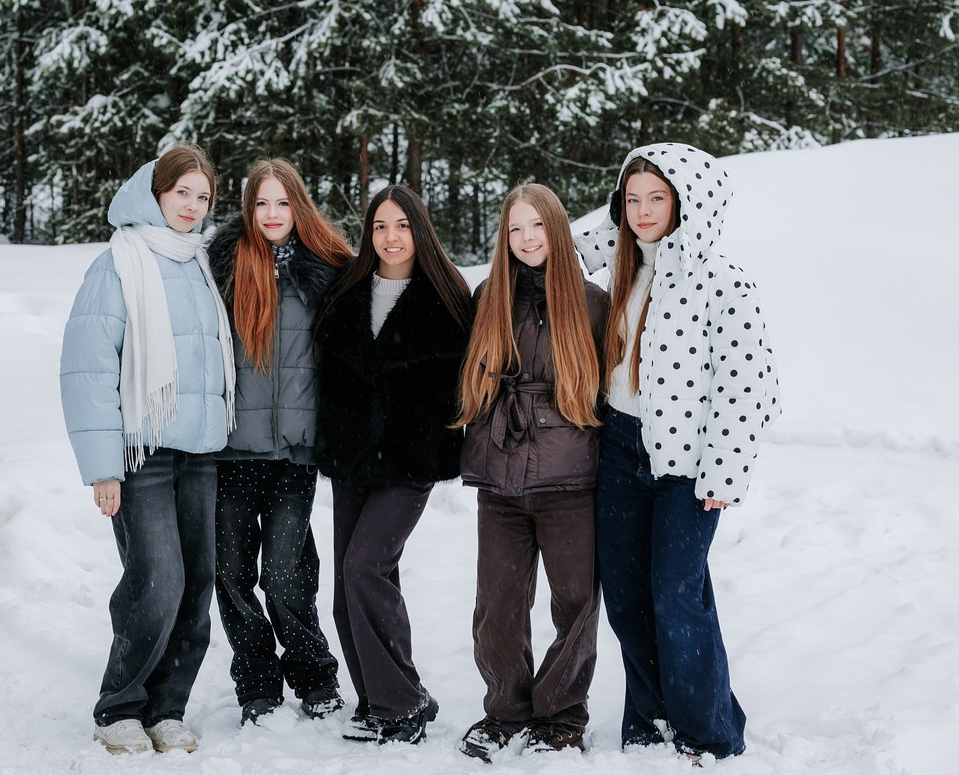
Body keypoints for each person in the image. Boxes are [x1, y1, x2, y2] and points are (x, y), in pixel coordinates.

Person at [574, 143, 780, 764]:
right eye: (631, 199)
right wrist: (623, 205)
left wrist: (723, 470)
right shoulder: (623, 265)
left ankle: (707, 731)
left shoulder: (722, 279)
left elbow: (749, 384)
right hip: (619, 447)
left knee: (677, 594)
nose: (641, 211)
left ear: (688, 201)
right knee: (628, 595)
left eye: (656, 198)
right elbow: (577, 238)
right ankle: (650, 717)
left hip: (687, 466)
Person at [59, 144, 236, 755]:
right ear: (155, 192)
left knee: (197, 584)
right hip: (143, 454)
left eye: (202, 196)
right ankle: (120, 706)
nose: (191, 206)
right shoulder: (120, 262)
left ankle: (167, 707)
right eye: (181, 192)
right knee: (156, 580)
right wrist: (102, 468)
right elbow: (87, 370)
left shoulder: (199, 264)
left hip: (202, 452)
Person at [453, 184, 609, 760]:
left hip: (570, 481)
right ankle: (506, 708)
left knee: (574, 602)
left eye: (536, 227)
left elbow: (609, 393)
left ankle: (562, 713)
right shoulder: (488, 295)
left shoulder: (591, 301)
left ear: (557, 230)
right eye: (515, 229)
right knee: (497, 607)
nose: (525, 240)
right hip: (499, 478)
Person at [315, 185, 472, 745]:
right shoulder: (346, 292)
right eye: (380, 226)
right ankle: (378, 697)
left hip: (411, 462)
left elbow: (469, 382)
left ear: (420, 230)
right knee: (348, 586)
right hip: (353, 458)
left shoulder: (449, 296)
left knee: (365, 567)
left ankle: (401, 703)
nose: (390, 237)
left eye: (402, 225)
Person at [205, 158, 353, 726]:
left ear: (299, 206)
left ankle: (315, 677)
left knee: (287, 570)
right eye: (261, 203)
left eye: (282, 203)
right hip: (232, 450)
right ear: (249, 208)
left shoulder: (325, 268)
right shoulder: (221, 264)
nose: (272, 215)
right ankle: (257, 684)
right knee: (232, 572)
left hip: (295, 450)